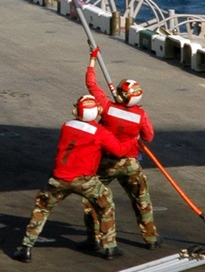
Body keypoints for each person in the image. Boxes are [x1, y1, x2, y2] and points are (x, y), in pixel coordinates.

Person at [12, 96, 132, 262]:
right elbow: (119, 151)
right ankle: (109, 247)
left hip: (59, 178)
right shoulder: (100, 132)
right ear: (96, 111)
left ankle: (26, 247)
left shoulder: (66, 126)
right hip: (84, 180)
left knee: (42, 208)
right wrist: (133, 139)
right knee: (105, 204)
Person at [82, 47, 160, 249]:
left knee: (93, 199)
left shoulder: (107, 108)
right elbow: (149, 137)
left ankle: (93, 238)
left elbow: (91, 84)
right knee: (142, 200)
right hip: (130, 162)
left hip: (106, 161)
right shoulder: (141, 116)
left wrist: (93, 59)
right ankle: (150, 239)